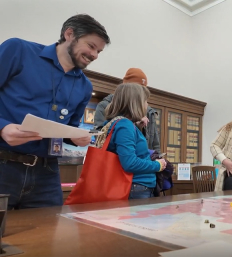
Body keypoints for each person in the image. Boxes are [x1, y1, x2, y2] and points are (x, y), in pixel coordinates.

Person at [0, 14, 110, 209]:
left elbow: (68, 128)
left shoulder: (85, 86)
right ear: (69, 34)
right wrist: (3, 128)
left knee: (46, 237)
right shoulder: (18, 50)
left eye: (99, 51)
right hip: (4, 163)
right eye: (91, 46)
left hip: (47, 174)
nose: (95, 55)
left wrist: (76, 137)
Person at [96, 83, 166, 199]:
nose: (147, 105)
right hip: (136, 187)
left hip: (135, 186)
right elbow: (130, 163)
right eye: (145, 101)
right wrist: (157, 165)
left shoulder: (123, 124)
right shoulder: (125, 126)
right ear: (136, 103)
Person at [94, 68, 160, 153]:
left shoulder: (149, 111)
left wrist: (157, 159)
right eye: (138, 89)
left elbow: (155, 143)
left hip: (143, 161)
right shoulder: (105, 106)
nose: (140, 94)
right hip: (117, 160)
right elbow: (99, 136)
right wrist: (131, 121)